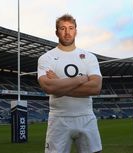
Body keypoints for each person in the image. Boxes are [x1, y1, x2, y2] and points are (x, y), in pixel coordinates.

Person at [37, 14, 102, 153]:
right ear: (56, 32)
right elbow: (48, 86)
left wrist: (59, 84)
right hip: (58, 119)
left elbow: (96, 87)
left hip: (86, 117)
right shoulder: (46, 58)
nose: (67, 32)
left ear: (76, 31)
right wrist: (79, 80)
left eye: (71, 28)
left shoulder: (89, 57)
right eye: (62, 28)